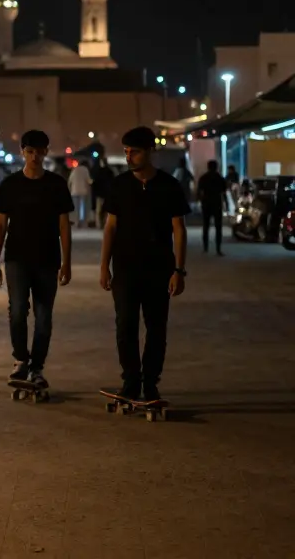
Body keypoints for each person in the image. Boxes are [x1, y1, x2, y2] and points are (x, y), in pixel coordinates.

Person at [100, 127, 190, 403]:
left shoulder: (168, 186)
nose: (129, 157)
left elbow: (179, 229)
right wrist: (104, 265)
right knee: (125, 326)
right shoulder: (120, 185)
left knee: (156, 328)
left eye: (135, 151)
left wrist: (179, 270)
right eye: (126, 151)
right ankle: (130, 382)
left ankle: (150, 383)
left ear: (150, 151)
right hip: (125, 269)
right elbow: (110, 227)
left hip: (158, 269)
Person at [0, 130, 74, 389]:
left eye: (39, 151)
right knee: (17, 311)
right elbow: (1, 224)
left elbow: (64, 225)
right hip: (16, 258)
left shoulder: (56, 184)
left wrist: (67, 261)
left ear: (46, 152)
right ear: (22, 152)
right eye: (30, 151)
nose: (35, 156)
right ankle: (20, 360)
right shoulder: (11, 184)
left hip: (48, 258)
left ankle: (37, 366)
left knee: (44, 317)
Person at [197, 160, 228, 256]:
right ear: (216, 167)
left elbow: (199, 192)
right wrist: (226, 204)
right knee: (218, 227)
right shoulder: (220, 178)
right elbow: (224, 192)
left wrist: (200, 201)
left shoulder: (203, 178)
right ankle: (218, 249)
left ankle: (205, 248)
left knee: (205, 226)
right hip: (217, 203)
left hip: (206, 203)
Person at [68, 159, 92, 228]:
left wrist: (70, 190)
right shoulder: (85, 170)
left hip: (74, 191)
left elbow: (69, 181)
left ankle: (76, 222)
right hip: (83, 191)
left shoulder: (74, 170)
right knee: (83, 208)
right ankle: (83, 223)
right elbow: (88, 180)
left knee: (76, 208)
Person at [92, 158, 115, 227]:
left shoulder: (98, 171)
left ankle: (99, 224)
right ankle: (106, 223)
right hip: (108, 194)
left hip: (100, 194)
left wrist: (95, 193)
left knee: (98, 210)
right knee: (107, 210)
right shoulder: (110, 172)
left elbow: (95, 183)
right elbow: (113, 183)